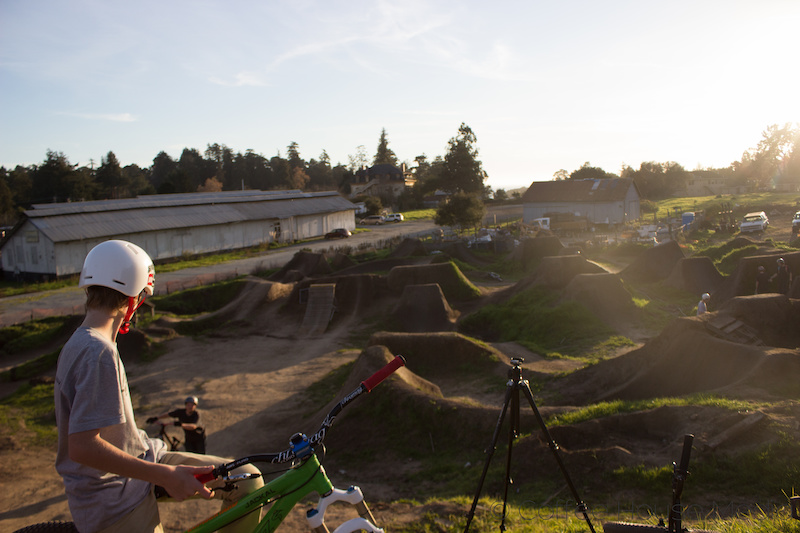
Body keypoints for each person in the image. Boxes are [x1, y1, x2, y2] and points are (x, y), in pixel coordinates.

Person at [54, 240, 262, 533]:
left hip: (142, 459)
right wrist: (166, 475)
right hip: (113, 499)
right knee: (249, 483)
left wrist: (162, 469)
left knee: (247, 479)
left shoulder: (81, 342)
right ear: (134, 298)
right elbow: (82, 447)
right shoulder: (97, 352)